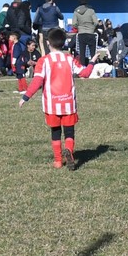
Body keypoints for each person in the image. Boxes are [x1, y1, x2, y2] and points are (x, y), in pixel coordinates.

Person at [19, 28, 94, 169]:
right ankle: (69, 151)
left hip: (51, 104)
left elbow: (37, 82)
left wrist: (26, 97)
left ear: (48, 43)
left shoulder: (43, 61)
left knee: (55, 132)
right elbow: (85, 73)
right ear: (64, 43)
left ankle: (58, 161)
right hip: (68, 103)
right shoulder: (69, 59)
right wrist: (92, 62)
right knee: (69, 131)